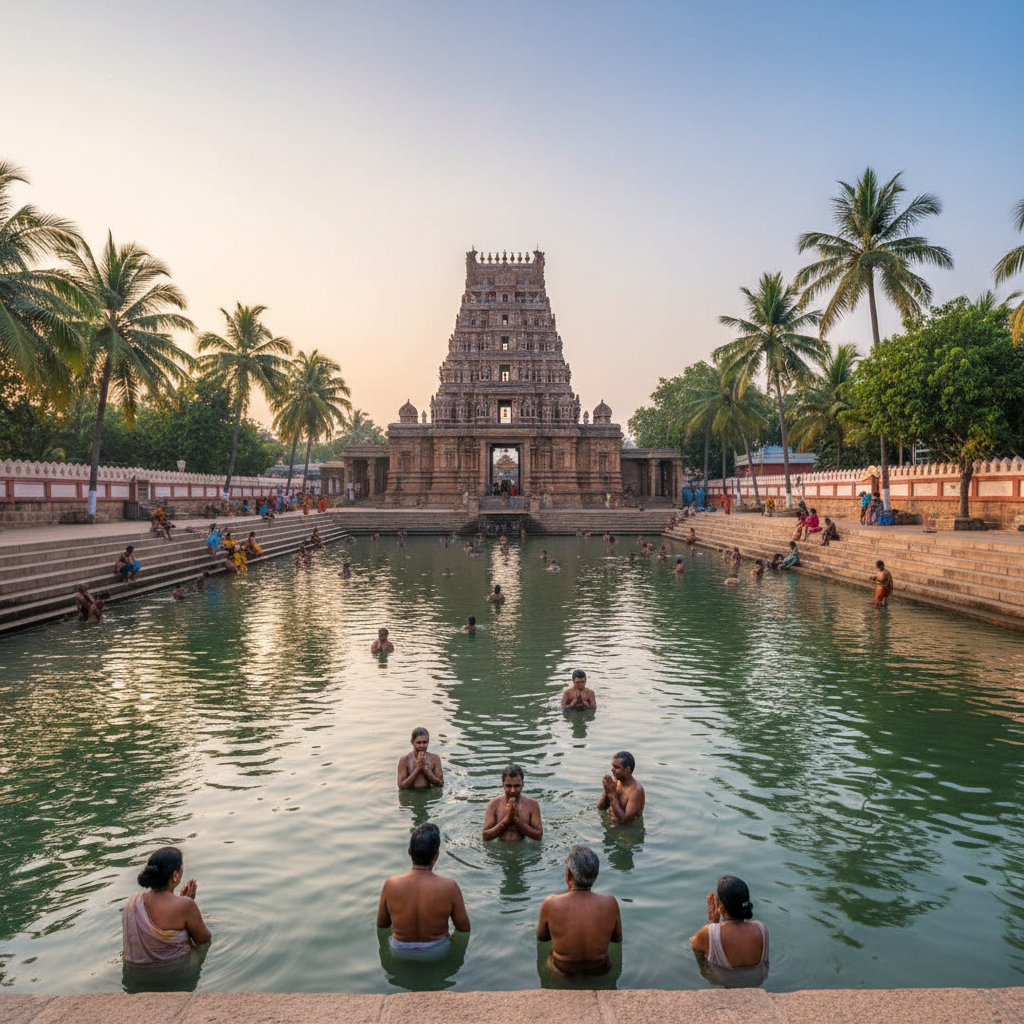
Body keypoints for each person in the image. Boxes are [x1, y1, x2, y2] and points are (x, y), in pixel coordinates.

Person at [376, 823, 470, 958]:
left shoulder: (391, 884)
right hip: (437, 951)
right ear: (436, 855)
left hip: (399, 951)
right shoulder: (450, 887)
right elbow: (464, 928)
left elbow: (382, 925)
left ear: (409, 852)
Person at [536, 846, 622, 977]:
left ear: (569, 874)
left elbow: (542, 938)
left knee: (549, 957)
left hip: (563, 972)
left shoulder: (550, 903)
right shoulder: (610, 902)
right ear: (595, 875)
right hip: (601, 971)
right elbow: (616, 939)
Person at [123, 846, 211, 964]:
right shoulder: (185, 905)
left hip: (135, 973)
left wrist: (182, 902)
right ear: (175, 876)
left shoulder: (132, 901)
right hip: (174, 974)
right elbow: (204, 940)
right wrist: (187, 903)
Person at [690, 875, 768, 976]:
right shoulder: (761, 928)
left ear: (721, 907)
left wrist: (712, 924)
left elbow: (694, 945)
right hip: (758, 982)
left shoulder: (708, 932)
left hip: (721, 983)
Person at [483, 765, 543, 842]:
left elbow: (539, 836)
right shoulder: (494, 804)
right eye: (508, 786)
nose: (512, 790)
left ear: (522, 785)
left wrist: (517, 820)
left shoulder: (532, 805)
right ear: (503, 786)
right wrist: (506, 820)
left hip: (523, 850)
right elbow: (485, 836)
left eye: (517, 786)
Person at [598, 751, 645, 823]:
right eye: (612, 766)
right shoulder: (616, 782)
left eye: (616, 767)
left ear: (627, 769)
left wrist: (612, 795)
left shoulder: (636, 791)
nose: (612, 769)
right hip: (611, 824)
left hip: (627, 831)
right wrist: (606, 790)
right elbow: (601, 808)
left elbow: (625, 820)